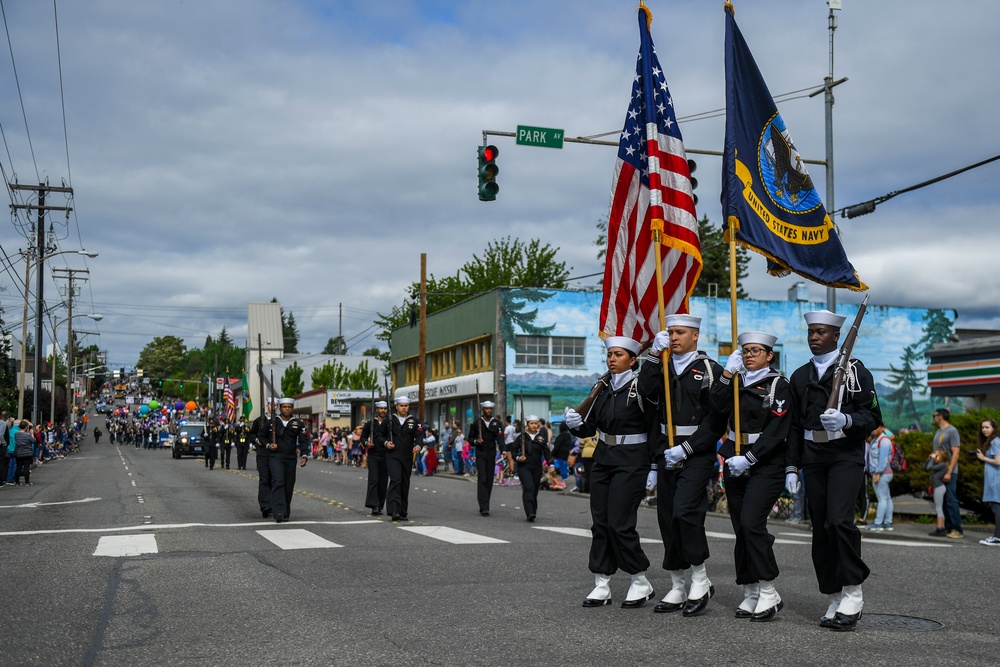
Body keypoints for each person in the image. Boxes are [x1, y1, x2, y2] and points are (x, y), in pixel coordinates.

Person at [787, 309, 882, 631]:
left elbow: (873, 417)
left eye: (821, 332)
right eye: (812, 331)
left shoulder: (855, 372)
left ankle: (853, 590)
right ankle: (832, 594)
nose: (815, 337)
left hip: (844, 454)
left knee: (840, 521)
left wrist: (848, 420)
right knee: (821, 528)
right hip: (813, 456)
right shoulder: (800, 376)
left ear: (836, 336)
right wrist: (791, 466)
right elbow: (794, 427)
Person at [638, 314, 726, 617]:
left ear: (695, 336)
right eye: (671, 332)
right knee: (667, 518)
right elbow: (645, 395)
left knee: (686, 512)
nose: (674, 337)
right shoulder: (660, 367)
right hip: (665, 450)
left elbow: (716, 421)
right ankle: (677, 584)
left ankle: (699, 578)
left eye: (680, 332)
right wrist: (651, 355)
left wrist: (687, 448)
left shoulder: (710, 370)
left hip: (696, 452)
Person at [566, 336, 657, 609]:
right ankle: (602, 582)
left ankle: (640, 579)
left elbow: (654, 427)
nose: (612, 359)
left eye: (618, 355)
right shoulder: (602, 387)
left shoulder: (642, 386)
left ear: (632, 360)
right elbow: (590, 426)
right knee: (600, 523)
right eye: (610, 355)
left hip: (633, 460)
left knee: (620, 523)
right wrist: (575, 425)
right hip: (603, 459)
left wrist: (654, 466)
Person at [709, 331, 792, 621]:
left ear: (770, 355)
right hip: (734, 458)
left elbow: (777, 430)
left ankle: (769, 589)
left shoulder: (778, 385)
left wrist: (750, 458)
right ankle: (750, 590)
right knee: (741, 528)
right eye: (745, 350)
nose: (749, 355)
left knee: (752, 524)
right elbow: (715, 408)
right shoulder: (735, 381)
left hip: (765, 462)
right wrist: (726, 373)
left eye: (756, 351)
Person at [256, 398, 309, 523]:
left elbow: (304, 441)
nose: (287, 409)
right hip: (276, 457)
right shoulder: (272, 422)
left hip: (291, 458)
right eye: (284, 407)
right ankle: (278, 511)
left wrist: (305, 456)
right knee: (278, 481)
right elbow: (261, 436)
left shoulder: (298, 423)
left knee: (288, 485)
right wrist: (268, 445)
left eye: (289, 407)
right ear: (280, 408)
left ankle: (285, 512)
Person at [385, 396, 421, 521]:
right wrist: (386, 443)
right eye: (401, 405)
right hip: (393, 455)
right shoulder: (389, 420)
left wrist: (418, 445)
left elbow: (420, 435)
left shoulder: (414, 421)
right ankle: (393, 510)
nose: (404, 408)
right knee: (395, 480)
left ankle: (402, 511)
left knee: (405, 482)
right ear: (397, 406)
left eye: (406, 406)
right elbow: (379, 435)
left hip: (407, 456)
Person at [508, 415, 550, 523]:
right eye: (532, 423)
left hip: (536, 467)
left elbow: (547, 452)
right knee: (529, 488)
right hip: (524, 467)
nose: (534, 425)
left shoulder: (540, 438)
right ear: (527, 425)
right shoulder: (521, 437)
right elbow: (512, 451)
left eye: (536, 423)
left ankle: (533, 510)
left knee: (535, 489)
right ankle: (529, 512)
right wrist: (518, 457)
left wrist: (552, 464)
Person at [467, 401, 505, 516]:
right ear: (483, 410)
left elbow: (500, 438)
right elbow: (470, 438)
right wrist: (476, 441)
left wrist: (503, 450)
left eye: (490, 409)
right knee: (482, 478)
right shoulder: (476, 423)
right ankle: (483, 506)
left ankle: (486, 502)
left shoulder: (496, 423)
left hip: (491, 453)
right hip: (480, 453)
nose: (489, 410)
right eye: (486, 409)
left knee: (489, 479)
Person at [932, 408, 963, 539]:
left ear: (940, 416)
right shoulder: (939, 431)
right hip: (938, 471)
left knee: (951, 499)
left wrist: (949, 471)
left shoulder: (952, 431)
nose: (933, 418)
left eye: (934, 415)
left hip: (949, 471)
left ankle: (957, 528)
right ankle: (946, 528)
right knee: (942, 501)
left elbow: (955, 452)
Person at [361, 401, 390, 516]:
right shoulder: (370, 423)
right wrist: (366, 443)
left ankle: (380, 505)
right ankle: (374, 505)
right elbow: (363, 437)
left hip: (386, 454)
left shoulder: (390, 423)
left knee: (383, 481)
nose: (383, 411)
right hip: (373, 454)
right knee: (374, 479)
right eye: (381, 408)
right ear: (377, 410)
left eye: (385, 408)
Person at [864, 424, 895, 532]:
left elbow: (883, 459)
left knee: (882, 499)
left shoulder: (884, 441)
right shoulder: (876, 440)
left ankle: (878, 523)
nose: (874, 429)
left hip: (882, 473)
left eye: (877, 427)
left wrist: (877, 474)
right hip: (884, 473)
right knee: (887, 498)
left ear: (882, 428)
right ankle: (888, 522)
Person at [250, 398, 277, 518]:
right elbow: (251, 434)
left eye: (276, 405)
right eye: (271, 404)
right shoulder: (259, 421)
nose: (274, 407)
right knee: (264, 479)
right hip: (262, 454)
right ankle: (265, 505)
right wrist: (256, 440)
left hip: (276, 454)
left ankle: (274, 504)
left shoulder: (279, 421)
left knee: (275, 480)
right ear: (267, 406)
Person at [975, 418, 1000, 546]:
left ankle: (998, 537)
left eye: (987, 427)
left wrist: (983, 458)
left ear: (993, 428)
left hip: (996, 480)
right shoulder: (993, 441)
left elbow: (998, 461)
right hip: (994, 479)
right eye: (983, 427)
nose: (984, 430)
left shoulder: (995, 442)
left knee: (997, 508)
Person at [923, 447, 949, 536]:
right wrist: (929, 458)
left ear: (942, 457)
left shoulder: (943, 465)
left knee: (939, 508)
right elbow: (925, 467)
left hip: (939, 488)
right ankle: (941, 528)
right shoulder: (939, 465)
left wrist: (933, 459)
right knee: (939, 508)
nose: (935, 457)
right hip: (937, 488)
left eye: (937, 456)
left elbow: (929, 467)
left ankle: (940, 528)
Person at [13, 420, 35, 486]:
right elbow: (33, 441)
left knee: (18, 467)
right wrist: (32, 434)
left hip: (18, 452)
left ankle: (17, 482)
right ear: (26, 427)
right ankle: (27, 482)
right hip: (27, 452)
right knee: (26, 468)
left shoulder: (16, 434)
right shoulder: (27, 435)